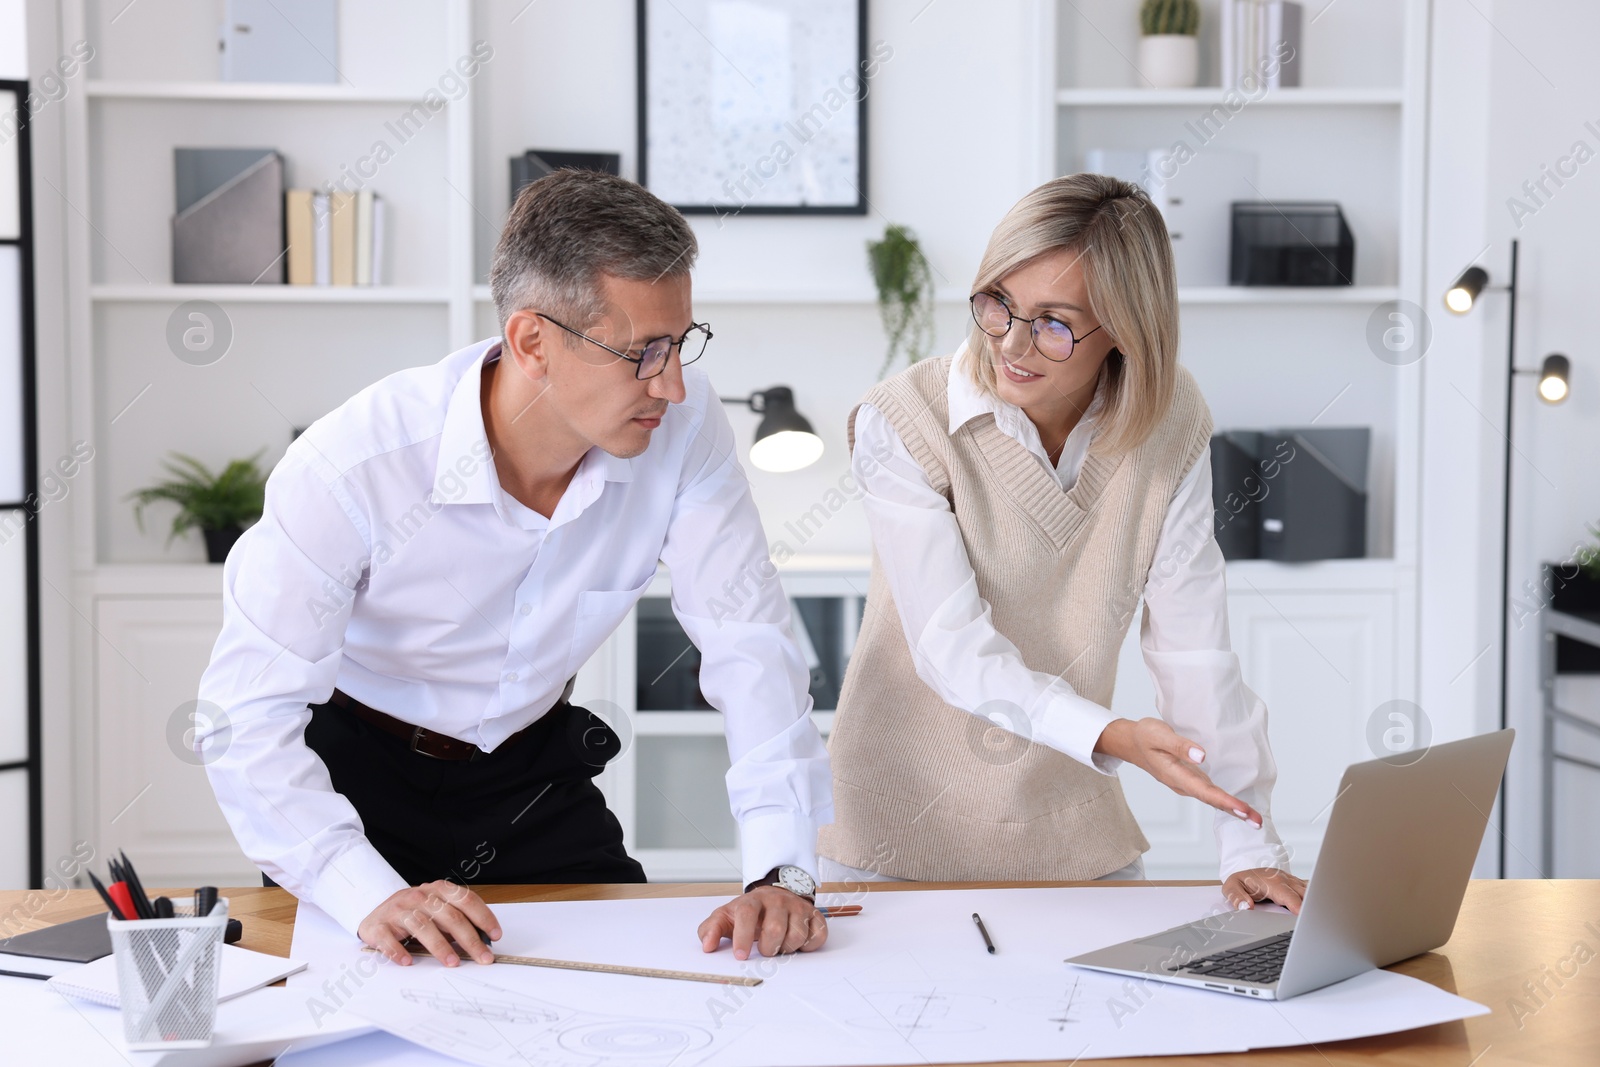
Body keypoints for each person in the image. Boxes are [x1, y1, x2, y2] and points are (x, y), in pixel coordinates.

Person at [197, 170, 833, 967]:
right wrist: (360, 888)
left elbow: (751, 644)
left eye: (681, 343)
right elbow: (242, 716)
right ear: (532, 341)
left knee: (634, 989)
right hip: (355, 781)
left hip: (532, 775)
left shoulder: (685, 424)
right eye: (642, 353)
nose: (671, 384)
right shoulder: (354, 466)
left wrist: (782, 869)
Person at [817, 173, 1306, 912]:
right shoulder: (904, 420)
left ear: (1124, 326)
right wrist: (1110, 733)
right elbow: (953, 649)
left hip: (1074, 838)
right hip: (892, 841)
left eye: (1053, 321)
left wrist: (1249, 843)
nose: (1012, 343)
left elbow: (1193, 649)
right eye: (999, 303)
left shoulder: (1169, 422)